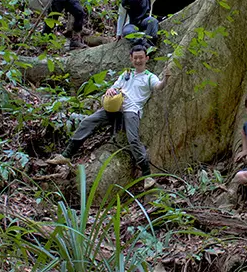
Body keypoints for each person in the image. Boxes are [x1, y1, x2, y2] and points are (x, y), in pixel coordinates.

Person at [46, 44, 170, 187]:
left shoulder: (149, 77)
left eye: (141, 57)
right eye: (135, 58)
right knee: (88, 122)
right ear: (131, 59)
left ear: (146, 58)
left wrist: (166, 78)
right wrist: (110, 90)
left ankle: (147, 175)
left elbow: (159, 86)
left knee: (133, 139)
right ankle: (66, 155)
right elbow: (114, 87)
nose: (138, 60)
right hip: (115, 107)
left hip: (132, 110)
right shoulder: (126, 74)